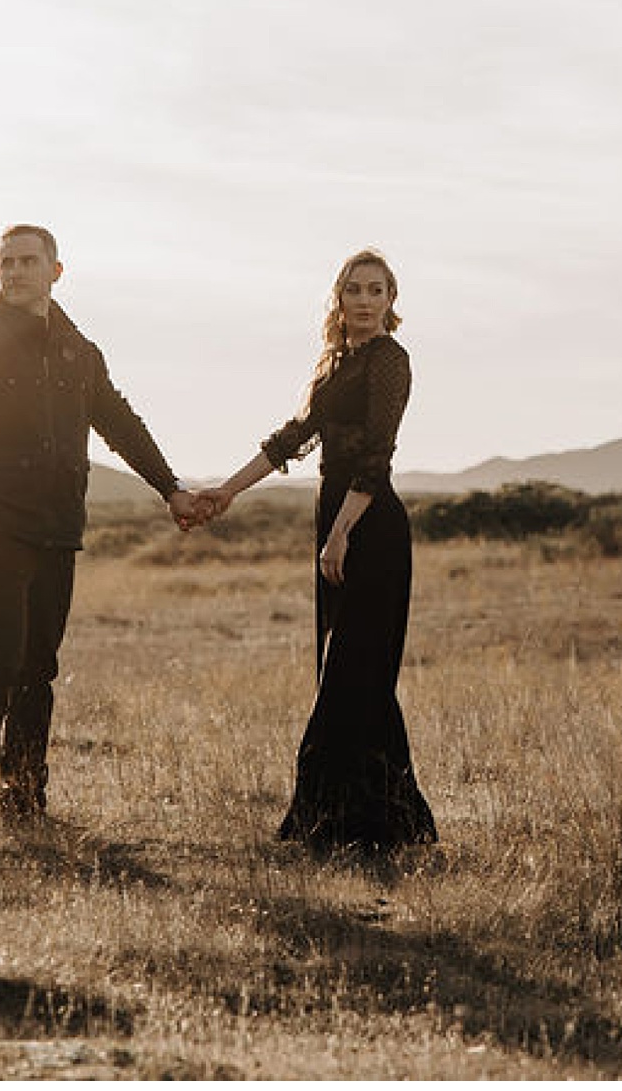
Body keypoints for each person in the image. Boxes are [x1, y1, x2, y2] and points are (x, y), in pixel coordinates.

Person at [0, 223, 203, 824]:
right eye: (7, 261)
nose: (16, 270)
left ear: (55, 270)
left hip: (57, 527)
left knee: (39, 668)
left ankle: (25, 795)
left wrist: (171, 488)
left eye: (29, 260)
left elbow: (119, 424)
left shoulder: (79, 351)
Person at [197, 249, 438, 856]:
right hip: (336, 524)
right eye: (352, 289)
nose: (362, 301)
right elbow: (291, 438)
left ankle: (333, 824)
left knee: (353, 674)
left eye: (374, 290)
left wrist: (340, 533)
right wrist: (226, 491)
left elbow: (377, 456)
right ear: (339, 297)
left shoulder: (389, 361)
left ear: (390, 300)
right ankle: (388, 827)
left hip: (370, 528)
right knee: (353, 677)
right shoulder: (336, 366)